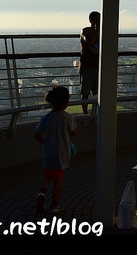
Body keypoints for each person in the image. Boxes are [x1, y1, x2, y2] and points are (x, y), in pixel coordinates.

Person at [34, 86, 79, 215]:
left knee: (47, 176)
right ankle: (54, 204)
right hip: (62, 154)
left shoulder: (47, 117)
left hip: (48, 153)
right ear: (66, 102)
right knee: (58, 179)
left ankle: (42, 193)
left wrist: (45, 143)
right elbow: (74, 133)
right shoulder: (68, 118)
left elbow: (36, 134)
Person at [78, 11, 100, 115]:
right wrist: (96, 31)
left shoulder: (102, 32)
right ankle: (85, 114)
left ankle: (96, 112)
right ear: (90, 20)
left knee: (98, 92)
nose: (98, 21)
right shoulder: (85, 31)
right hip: (87, 65)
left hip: (98, 65)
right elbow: (89, 41)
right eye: (96, 19)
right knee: (85, 92)